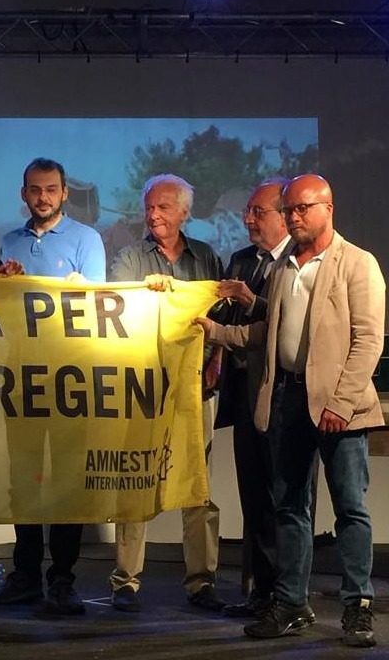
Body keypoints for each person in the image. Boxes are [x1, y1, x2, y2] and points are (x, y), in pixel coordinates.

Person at [197, 174, 385, 648]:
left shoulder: (357, 263)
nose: (294, 217)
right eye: (289, 210)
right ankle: (291, 604)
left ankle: (357, 606)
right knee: (290, 507)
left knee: (350, 508)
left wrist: (340, 403)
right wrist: (217, 333)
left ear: (328, 208)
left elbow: (368, 342)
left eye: (302, 208)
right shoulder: (284, 268)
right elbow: (267, 330)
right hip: (288, 400)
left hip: (340, 408)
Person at [0, 157, 106, 616]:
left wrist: (75, 289)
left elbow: (98, 305)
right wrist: (4, 285)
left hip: (71, 376)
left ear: (64, 193)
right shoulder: (10, 241)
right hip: (22, 375)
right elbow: (3, 311)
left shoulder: (87, 239)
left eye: (51, 189)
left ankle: (63, 579)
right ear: (24, 194)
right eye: (35, 189)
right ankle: (26, 574)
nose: (43, 197)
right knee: (24, 478)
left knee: (68, 478)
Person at [108, 173, 225, 613]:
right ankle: (125, 580)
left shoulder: (206, 257)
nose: (153, 215)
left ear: (184, 212)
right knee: (136, 479)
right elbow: (116, 311)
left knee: (198, 485)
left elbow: (219, 316)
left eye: (163, 207)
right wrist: (147, 293)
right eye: (149, 207)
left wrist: (215, 360)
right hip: (144, 390)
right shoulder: (129, 258)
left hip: (196, 389)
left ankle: (201, 581)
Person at [214, 179, 292, 618]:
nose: (248, 219)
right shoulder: (241, 260)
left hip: (282, 396)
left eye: (258, 212)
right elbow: (221, 315)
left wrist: (251, 300)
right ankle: (261, 593)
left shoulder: (297, 261)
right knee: (254, 497)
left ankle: (288, 594)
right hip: (245, 395)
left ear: (283, 216)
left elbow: (287, 323)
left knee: (284, 498)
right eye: (247, 211)